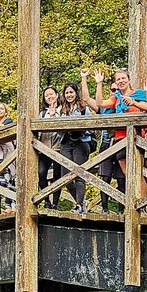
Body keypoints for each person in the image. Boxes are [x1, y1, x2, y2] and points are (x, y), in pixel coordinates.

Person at [87, 66, 147, 209]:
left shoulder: (139, 93)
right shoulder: (116, 97)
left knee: (138, 172)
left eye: (123, 78)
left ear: (129, 80)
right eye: (118, 79)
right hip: (119, 139)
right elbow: (100, 104)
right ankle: (134, 204)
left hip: (137, 139)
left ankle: (144, 204)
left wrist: (134, 102)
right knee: (128, 174)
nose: (121, 81)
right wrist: (99, 83)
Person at [57, 81, 94, 212]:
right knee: (65, 177)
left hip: (81, 142)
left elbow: (92, 125)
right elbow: (57, 128)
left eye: (71, 92)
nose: (69, 95)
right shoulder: (61, 109)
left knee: (79, 174)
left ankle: (79, 205)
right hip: (66, 142)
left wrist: (80, 129)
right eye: (66, 92)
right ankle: (81, 202)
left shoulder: (83, 107)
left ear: (75, 93)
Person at [36, 86, 63, 208]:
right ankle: (46, 200)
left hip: (59, 147)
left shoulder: (63, 110)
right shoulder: (42, 113)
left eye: (51, 94)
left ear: (57, 95)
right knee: (41, 173)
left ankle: (55, 204)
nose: (49, 97)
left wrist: (54, 116)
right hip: (44, 148)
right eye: (47, 95)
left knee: (58, 176)